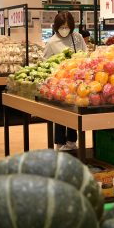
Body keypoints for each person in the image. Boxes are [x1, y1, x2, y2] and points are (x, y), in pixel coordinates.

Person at [43, 11, 88, 151]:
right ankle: (60, 142)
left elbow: (85, 54)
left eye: (67, 27)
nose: (64, 30)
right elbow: (46, 62)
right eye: (62, 27)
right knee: (61, 112)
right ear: (56, 27)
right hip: (60, 82)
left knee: (74, 110)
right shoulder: (51, 42)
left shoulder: (77, 37)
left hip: (76, 80)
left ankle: (71, 140)